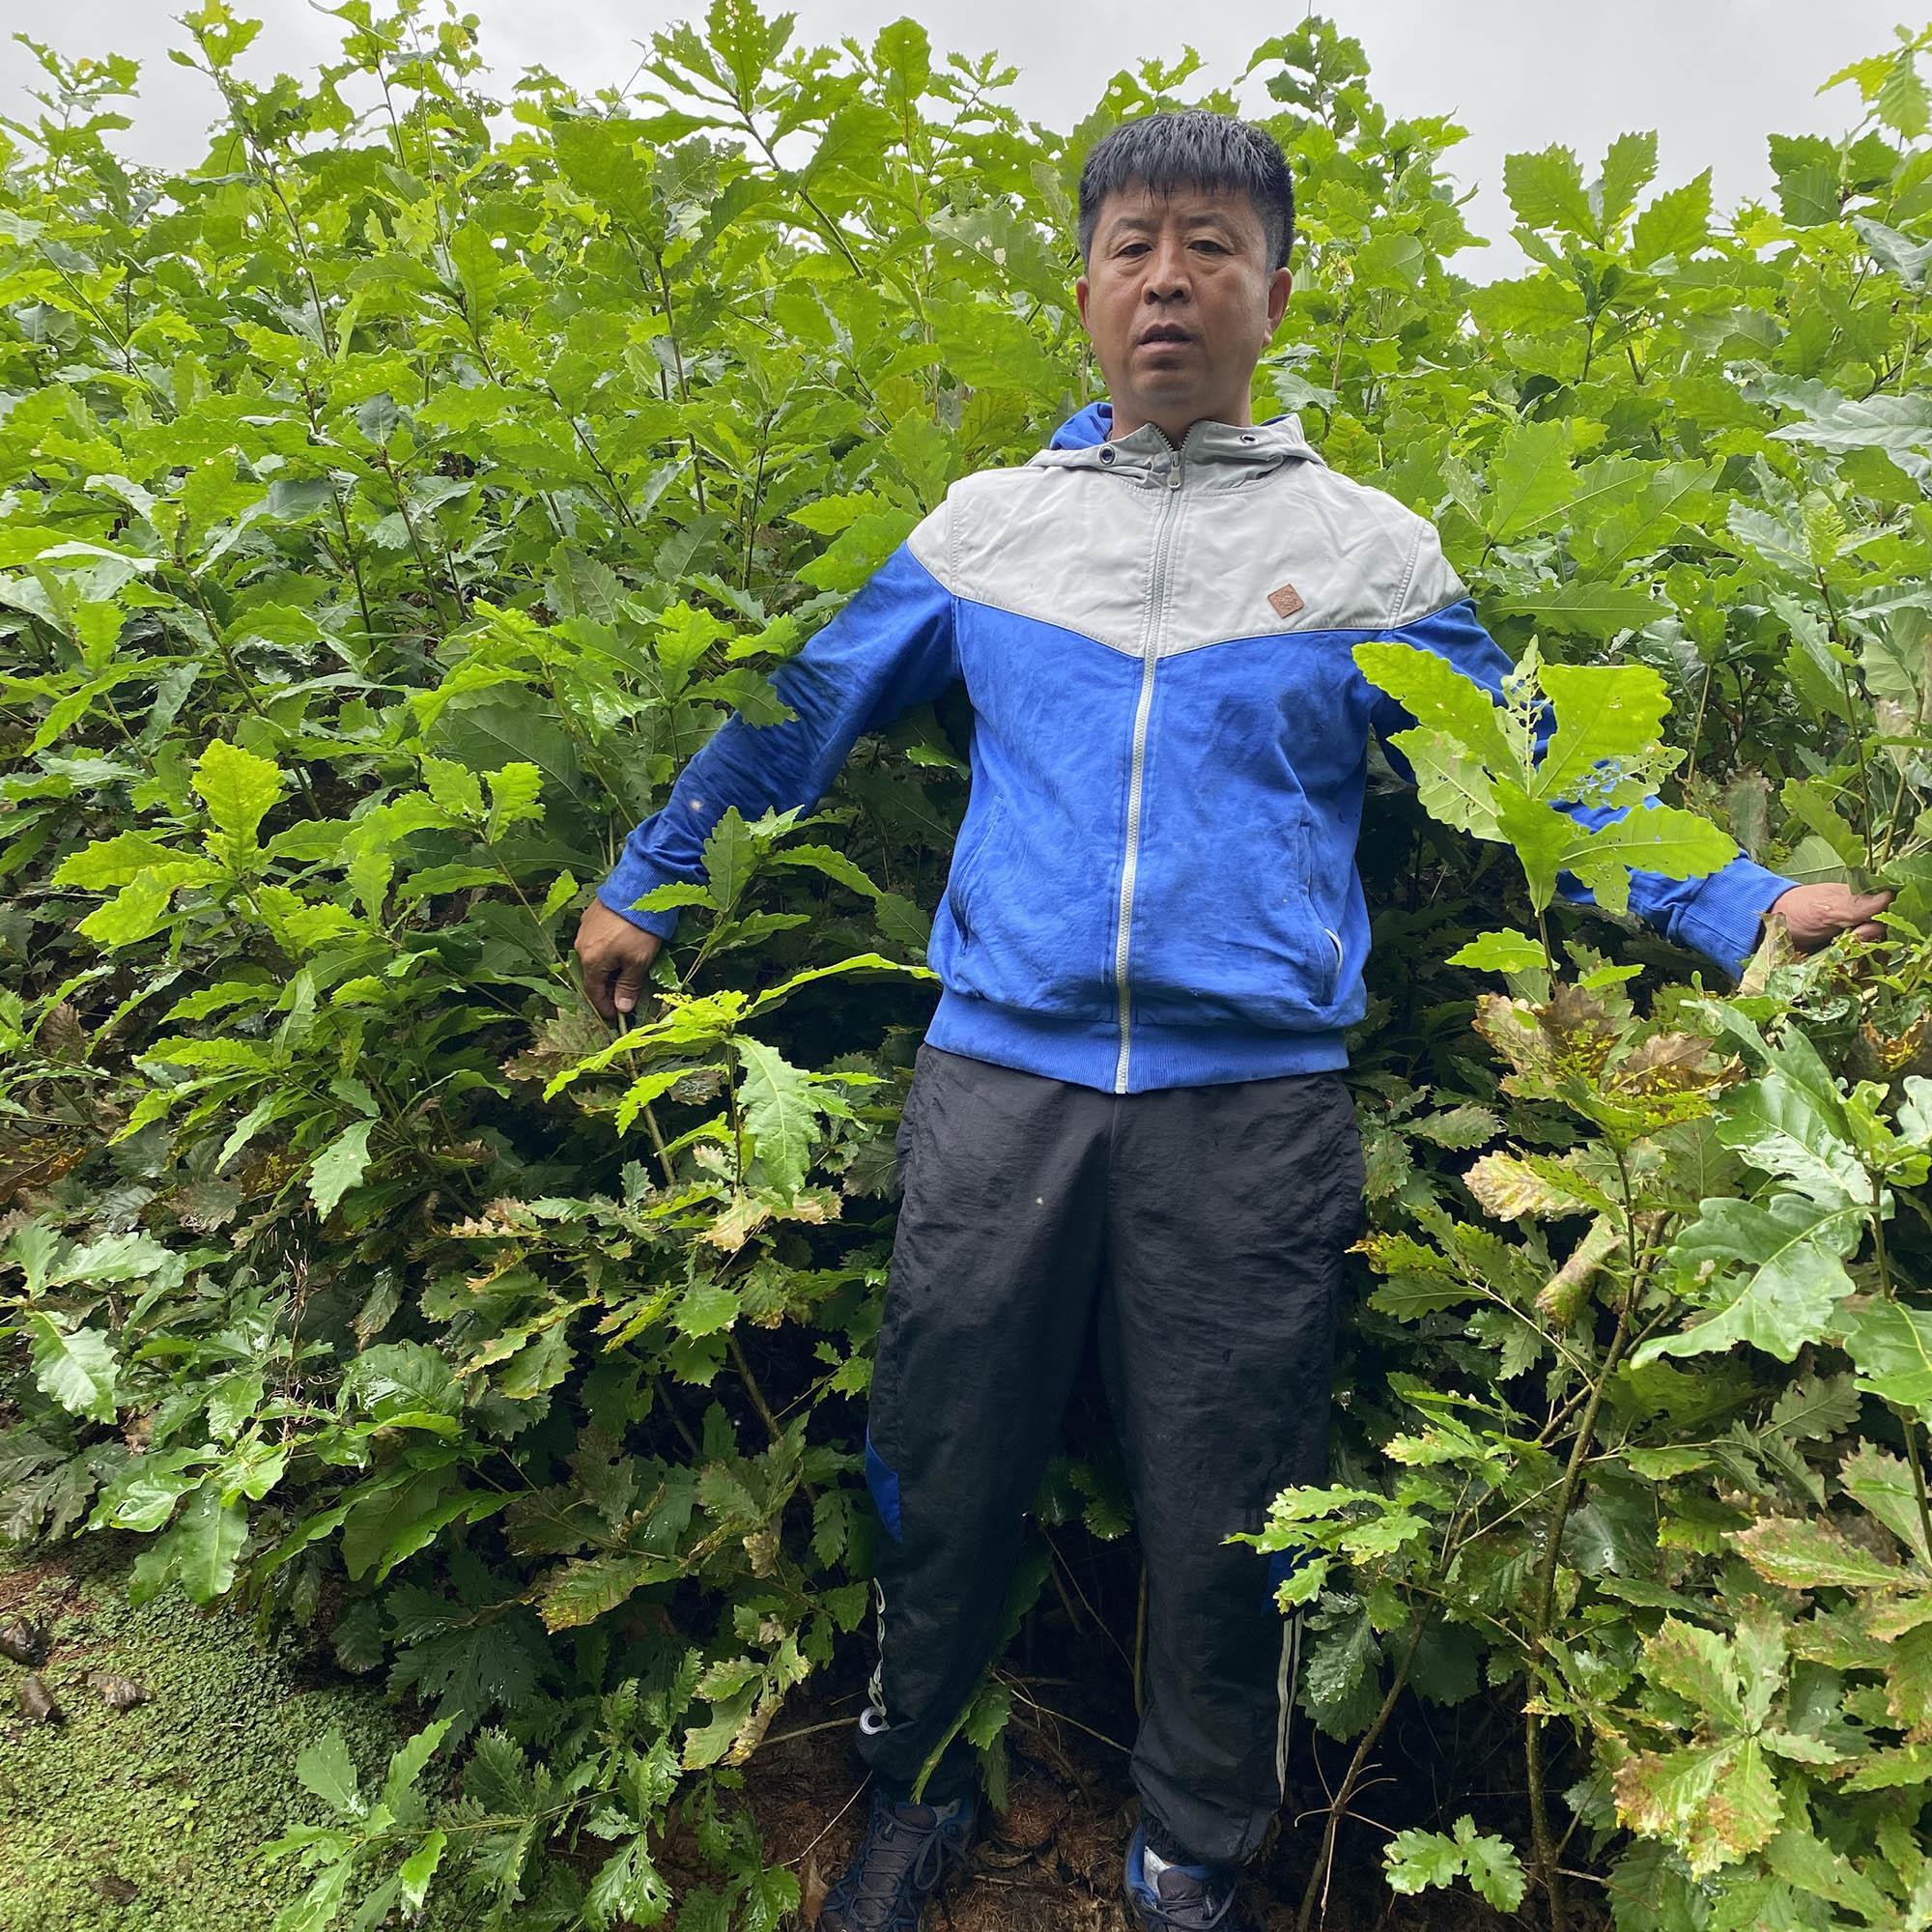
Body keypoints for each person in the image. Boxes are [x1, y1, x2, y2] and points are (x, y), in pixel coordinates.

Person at [574, 110, 1890, 1932]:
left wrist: (1737, 904)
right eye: (1132, 247)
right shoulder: (987, 532)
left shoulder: (1366, 554)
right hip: (998, 1077)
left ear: (1278, 289)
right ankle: (916, 1781)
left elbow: (1540, 777)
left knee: (1233, 1498)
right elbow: (804, 712)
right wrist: (650, 876)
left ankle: (1196, 1853)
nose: (1169, 281)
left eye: (1211, 246)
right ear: (1085, 288)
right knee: (943, 1455)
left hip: (1251, 1105)